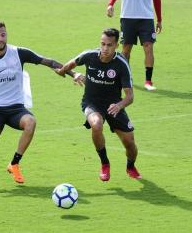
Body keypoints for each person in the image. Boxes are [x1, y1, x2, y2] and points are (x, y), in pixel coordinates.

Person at [0, 21, 79, 193]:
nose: (0, 39)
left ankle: (14, 164)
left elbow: (49, 62)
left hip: (15, 107)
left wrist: (73, 73)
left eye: (3, 35)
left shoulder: (18, 53)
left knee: (31, 122)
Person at [55, 28, 142, 181]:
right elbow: (70, 65)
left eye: (109, 45)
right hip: (92, 103)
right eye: (102, 44)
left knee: (130, 143)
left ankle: (130, 166)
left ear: (116, 45)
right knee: (96, 125)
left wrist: (119, 106)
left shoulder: (121, 64)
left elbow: (130, 96)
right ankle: (105, 163)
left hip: (114, 106)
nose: (105, 48)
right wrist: (71, 73)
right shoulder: (89, 56)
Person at [107, 0, 162, 91]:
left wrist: (159, 19)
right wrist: (110, 4)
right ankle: (126, 79)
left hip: (146, 18)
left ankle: (148, 81)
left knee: (148, 47)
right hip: (128, 16)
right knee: (126, 49)